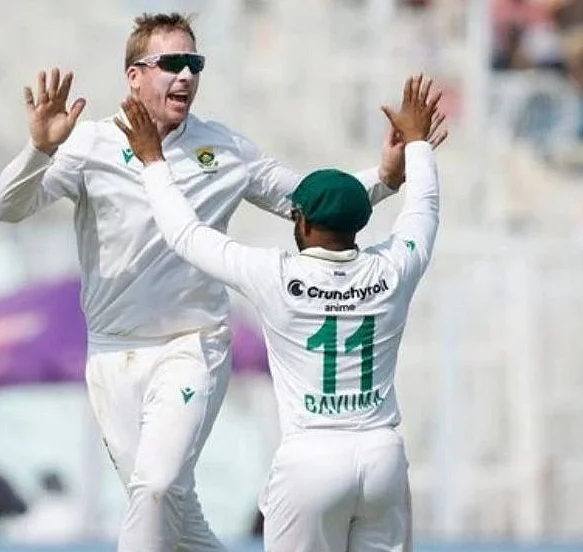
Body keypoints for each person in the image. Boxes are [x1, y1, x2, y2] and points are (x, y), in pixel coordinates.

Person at [0, 12, 446, 551]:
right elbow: (7, 207)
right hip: (114, 350)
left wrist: (385, 178)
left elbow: (309, 201)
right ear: (134, 75)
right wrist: (39, 149)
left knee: (156, 487)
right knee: (172, 509)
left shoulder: (225, 148)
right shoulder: (87, 144)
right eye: (171, 64)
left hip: (192, 345)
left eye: (194, 63)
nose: (185, 76)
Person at [116, 74, 441, 551]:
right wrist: (417, 147)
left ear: (303, 222)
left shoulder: (274, 275)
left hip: (310, 459)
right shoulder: (396, 266)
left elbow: (184, 234)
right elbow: (426, 205)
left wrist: (152, 161)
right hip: (382, 455)